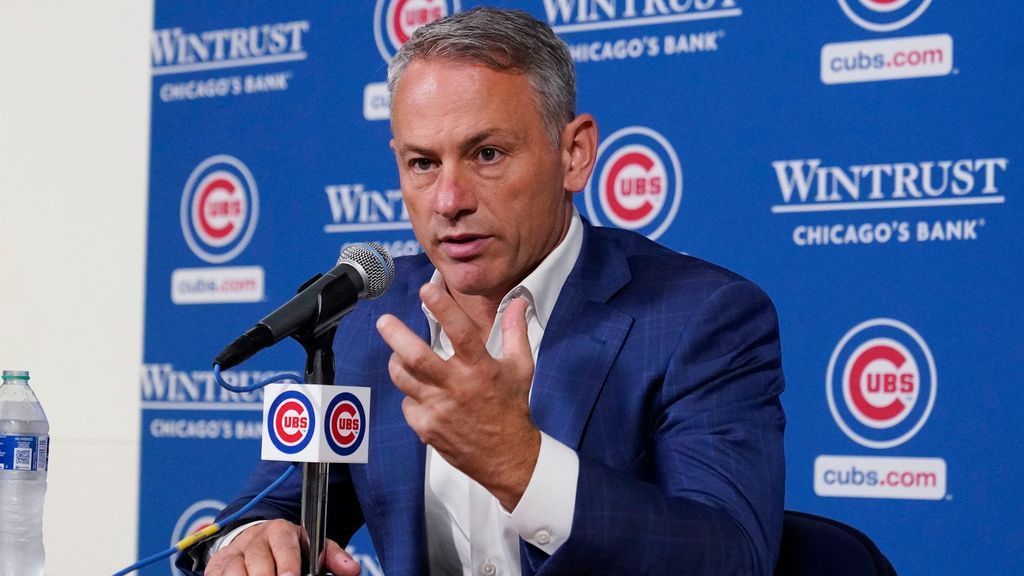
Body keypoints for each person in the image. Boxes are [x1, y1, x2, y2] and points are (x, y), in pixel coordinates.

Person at [181, 7, 785, 576]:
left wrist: (519, 464)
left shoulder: (700, 319)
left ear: (574, 154)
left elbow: (732, 553)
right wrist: (251, 541)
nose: (449, 201)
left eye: (487, 154)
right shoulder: (369, 321)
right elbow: (272, 505)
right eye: (423, 163)